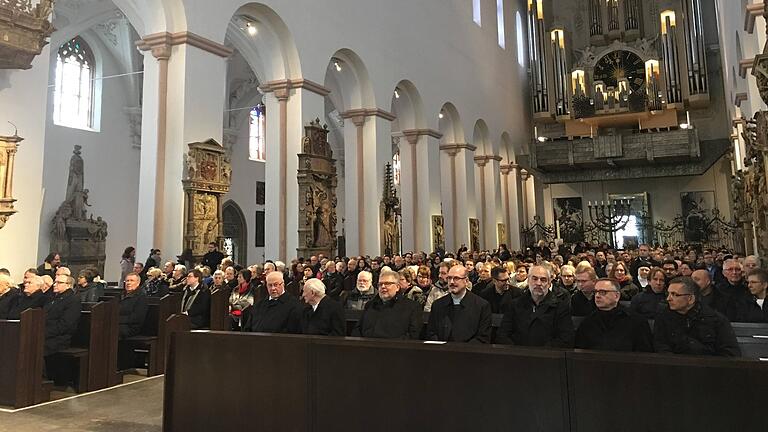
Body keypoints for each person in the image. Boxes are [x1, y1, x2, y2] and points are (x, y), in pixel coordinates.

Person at [654, 277, 740, 357]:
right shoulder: (663, 317)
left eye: (674, 294)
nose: (668, 298)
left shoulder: (716, 320)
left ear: (691, 299)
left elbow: (730, 353)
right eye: (668, 293)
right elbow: (660, 346)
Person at [497, 265, 575, 347]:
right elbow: (503, 335)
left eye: (543, 280)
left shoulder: (561, 307)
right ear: (528, 281)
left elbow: (566, 339)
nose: (538, 283)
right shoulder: (515, 305)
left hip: (549, 355)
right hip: (519, 354)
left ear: (549, 284)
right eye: (534, 279)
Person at [575, 278, 654, 352]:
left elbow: (644, 353)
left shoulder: (636, 322)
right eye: (595, 292)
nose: (597, 296)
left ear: (616, 296)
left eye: (603, 292)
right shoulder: (587, 323)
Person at [426, 264, 491, 343]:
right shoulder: (438, 305)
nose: (452, 282)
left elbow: (483, 337)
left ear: (466, 281)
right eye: (449, 278)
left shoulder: (481, 306)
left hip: (469, 352)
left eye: (456, 278)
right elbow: (431, 333)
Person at [352, 269, 422, 339]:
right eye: (380, 284)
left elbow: (413, 335)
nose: (383, 287)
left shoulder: (412, 307)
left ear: (397, 287)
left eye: (387, 283)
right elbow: (358, 330)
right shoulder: (370, 305)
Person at [44, 274, 82, 357]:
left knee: (36, 346)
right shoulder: (53, 299)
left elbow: (66, 325)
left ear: (68, 285)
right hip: (47, 334)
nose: (54, 285)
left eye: (59, 282)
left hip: (60, 338)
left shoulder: (73, 300)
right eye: (54, 282)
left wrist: (43, 333)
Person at [119, 272, 149, 339]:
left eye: (132, 281)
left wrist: (117, 320)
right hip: (119, 323)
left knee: (113, 330)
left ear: (138, 283)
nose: (128, 283)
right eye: (127, 281)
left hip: (131, 327)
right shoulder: (121, 295)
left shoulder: (141, 297)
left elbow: (137, 317)